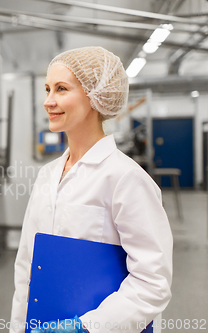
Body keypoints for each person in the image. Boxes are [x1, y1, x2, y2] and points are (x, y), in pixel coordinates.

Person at [9, 47, 173, 333]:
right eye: (47, 89)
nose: (48, 101)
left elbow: (153, 281)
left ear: (96, 95)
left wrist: (87, 327)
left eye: (61, 89)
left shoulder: (125, 178)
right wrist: (18, 326)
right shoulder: (47, 176)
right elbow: (27, 265)